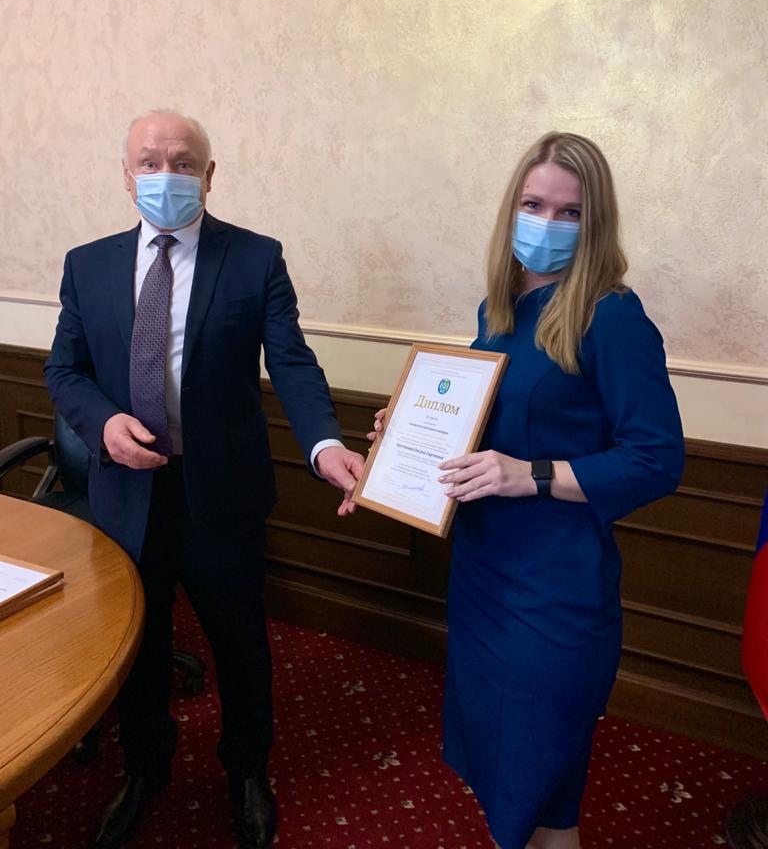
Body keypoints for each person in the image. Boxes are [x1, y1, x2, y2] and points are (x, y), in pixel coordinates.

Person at [45, 111, 364, 849]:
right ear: (126, 175)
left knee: (240, 643)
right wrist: (103, 423)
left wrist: (324, 444)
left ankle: (247, 770)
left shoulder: (255, 259)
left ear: (210, 176)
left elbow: (292, 363)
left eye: (183, 162)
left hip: (220, 491)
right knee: (139, 641)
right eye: (149, 162)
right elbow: (64, 370)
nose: (166, 176)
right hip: (128, 491)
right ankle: (145, 766)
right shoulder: (86, 265)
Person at [361, 132, 684, 849]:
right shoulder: (499, 310)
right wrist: (406, 428)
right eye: (534, 205)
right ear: (511, 209)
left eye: (571, 212)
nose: (548, 223)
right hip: (483, 568)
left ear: (595, 224)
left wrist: (530, 475)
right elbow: (496, 424)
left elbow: (657, 460)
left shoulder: (612, 317)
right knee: (512, 770)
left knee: (540, 763)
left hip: (554, 583)